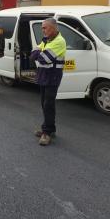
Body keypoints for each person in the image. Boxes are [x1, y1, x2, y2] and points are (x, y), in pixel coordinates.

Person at [30, 18, 66, 146]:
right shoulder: (47, 40)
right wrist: (38, 52)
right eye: (42, 28)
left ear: (54, 28)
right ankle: (49, 128)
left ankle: (47, 133)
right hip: (44, 76)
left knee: (48, 105)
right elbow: (33, 54)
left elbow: (44, 58)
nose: (43, 30)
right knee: (44, 104)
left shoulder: (59, 41)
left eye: (45, 28)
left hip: (52, 77)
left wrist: (38, 52)